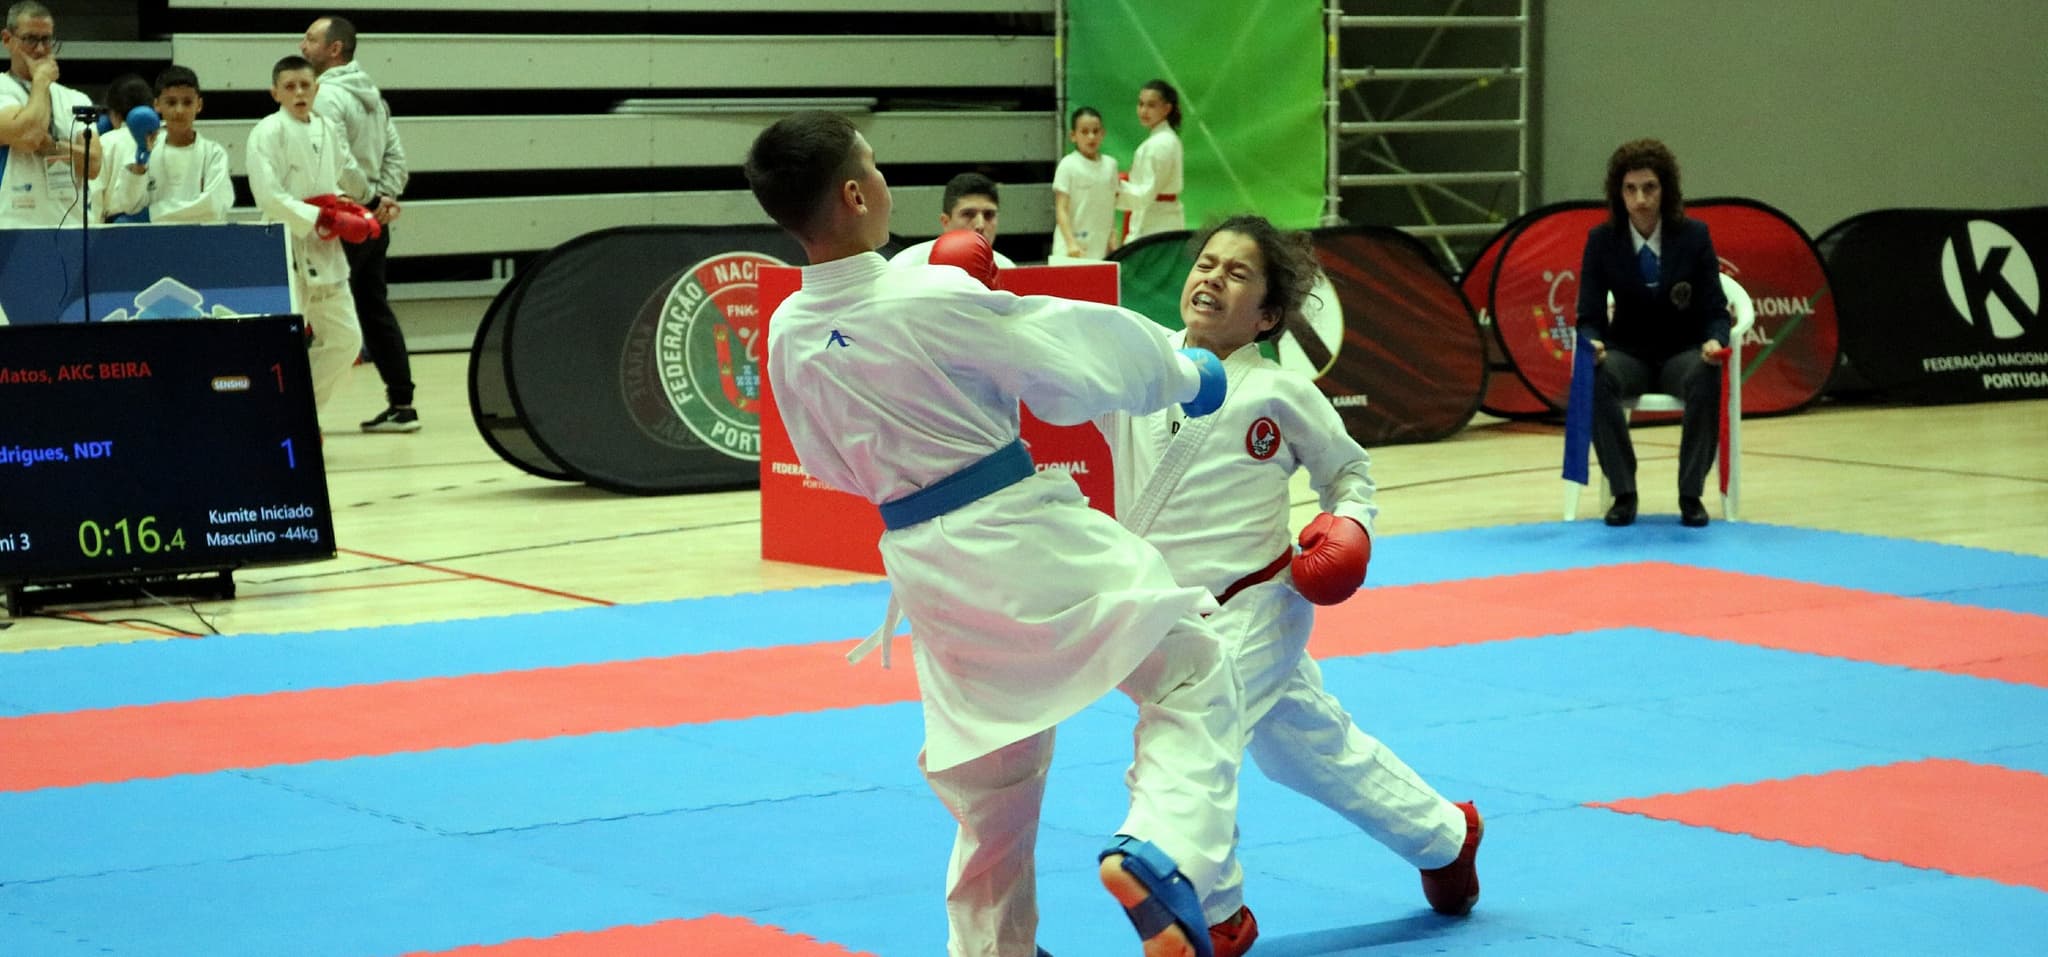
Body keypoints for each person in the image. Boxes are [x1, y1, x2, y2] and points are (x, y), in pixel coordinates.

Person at [746, 110, 1245, 957]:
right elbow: (1060, 353)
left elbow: (828, 465)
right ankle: (1163, 848)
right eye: (876, 164)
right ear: (858, 192)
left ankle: (991, 951)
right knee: (1193, 668)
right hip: (1014, 531)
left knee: (994, 780)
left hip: (922, 564)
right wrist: (1181, 373)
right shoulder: (925, 291)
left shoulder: (789, 332)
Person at [1095, 215, 1483, 955]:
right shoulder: (1140, 365)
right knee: (1306, 747)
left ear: (1268, 316)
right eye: (1205, 263)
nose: (1210, 277)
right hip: (1161, 613)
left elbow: (1350, 472)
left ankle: (1209, 902)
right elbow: (1059, 364)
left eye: (1236, 273)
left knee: (1193, 730)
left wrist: (1351, 530)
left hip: (1255, 606)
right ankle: (1444, 835)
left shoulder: (1279, 392)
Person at [1574, 138, 1730, 528]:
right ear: (1618, 193)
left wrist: (1716, 341)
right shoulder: (1600, 241)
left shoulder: (1694, 236)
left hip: (1683, 352)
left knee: (1707, 373)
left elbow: (1715, 309)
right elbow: (1588, 315)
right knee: (1593, 377)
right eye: (1630, 189)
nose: (1640, 199)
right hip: (1628, 353)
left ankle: (1691, 493)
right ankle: (1624, 491)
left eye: (1649, 188)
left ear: (1666, 191)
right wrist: (1591, 341)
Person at [302, 14, 417, 433]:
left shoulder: (326, 96)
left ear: (335, 49)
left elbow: (337, 157)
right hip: (372, 222)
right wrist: (383, 200)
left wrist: (368, 200)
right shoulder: (374, 95)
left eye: (311, 39)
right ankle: (403, 404)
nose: (302, 46)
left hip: (345, 220)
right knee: (373, 306)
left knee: (316, 309)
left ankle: (299, 408)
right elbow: (396, 157)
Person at [246, 54, 373, 413]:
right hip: (284, 245)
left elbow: (329, 181)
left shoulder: (326, 128)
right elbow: (269, 196)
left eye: (305, 85)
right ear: (275, 93)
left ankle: (301, 410)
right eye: (290, 86)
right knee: (280, 342)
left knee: (348, 339)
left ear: (316, 88)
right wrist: (323, 217)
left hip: (324, 248)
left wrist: (349, 207)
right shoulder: (267, 131)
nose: (299, 92)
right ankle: (274, 416)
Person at [0, 1, 100, 229]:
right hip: (13, 226)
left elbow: (93, 164)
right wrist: (41, 81)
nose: (40, 49)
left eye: (46, 39)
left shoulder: (76, 98)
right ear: (7, 40)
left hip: (72, 226)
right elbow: (30, 136)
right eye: (30, 39)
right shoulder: (2, 87)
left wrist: (54, 146)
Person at [97, 65, 232, 225]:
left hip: (198, 242)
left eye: (187, 102)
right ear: (157, 105)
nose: (179, 110)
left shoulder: (213, 153)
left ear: (199, 105)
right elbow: (129, 206)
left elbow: (213, 205)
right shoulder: (145, 148)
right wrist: (139, 167)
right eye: (171, 102)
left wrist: (152, 215)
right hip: (151, 243)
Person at [887, 171, 1018, 270]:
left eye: (989, 215)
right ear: (945, 222)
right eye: (968, 214)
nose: (980, 225)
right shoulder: (906, 266)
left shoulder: (1006, 268)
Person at [1117, 79, 1184, 241]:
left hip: (1156, 223)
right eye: (1141, 104)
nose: (1144, 110)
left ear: (1167, 108)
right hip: (1158, 218)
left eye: (1151, 105)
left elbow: (1145, 193)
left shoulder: (1160, 144)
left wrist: (1112, 186)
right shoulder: (1163, 140)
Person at [86, 72, 154, 223]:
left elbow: (95, 197)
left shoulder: (104, 142)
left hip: (116, 232)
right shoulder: (164, 140)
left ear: (114, 114)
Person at [1053, 106, 1118, 261]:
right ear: (1073, 135)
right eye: (1084, 131)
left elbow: (1111, 205)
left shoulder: (1111, 165)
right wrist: (1070, 243)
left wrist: (1112, 237)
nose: (1091, 137)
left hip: (1100, 247)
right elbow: (1061, 209)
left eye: (1096, 131)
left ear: (1103, 133)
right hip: (1072, 248)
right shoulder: (1067, 165)